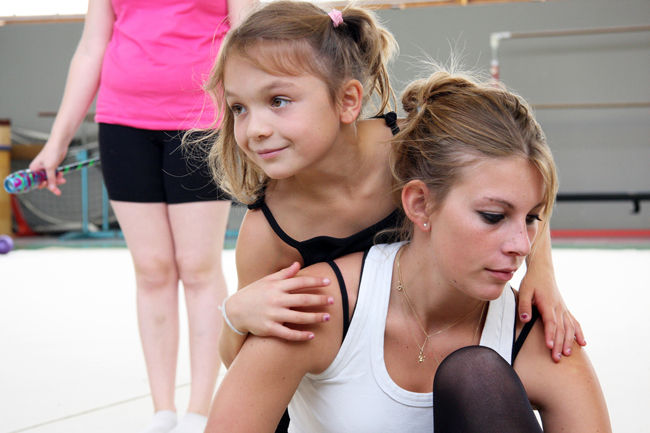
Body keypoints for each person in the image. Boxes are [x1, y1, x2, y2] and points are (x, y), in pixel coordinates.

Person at [205, 69, 612, 433]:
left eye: (532, 218)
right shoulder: (318, 304)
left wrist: (545, 269)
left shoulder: (540, 337)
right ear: (419, 204)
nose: (521, 247)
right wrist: (233, 318)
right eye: (492, 216)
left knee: (476, 374)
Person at [205, 1, 582, 370]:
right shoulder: (268, 232)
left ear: (348, 100)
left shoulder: (410, 146)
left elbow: (511, 190)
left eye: (278, 101)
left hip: (431, 355)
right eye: (239, 108)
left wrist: (541, 272)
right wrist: (235, 316)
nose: (255, 129)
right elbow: (242, 366)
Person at [27, 0, 254, 432]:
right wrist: (57, 142)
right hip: (123, 122)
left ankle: (199, 410)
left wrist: (249, 114)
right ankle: (162, 412)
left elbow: (245, 35)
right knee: (151, 270)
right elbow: (92, 47)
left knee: (199, 268)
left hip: (202, 121)